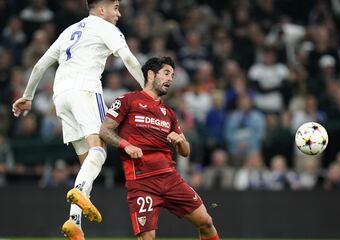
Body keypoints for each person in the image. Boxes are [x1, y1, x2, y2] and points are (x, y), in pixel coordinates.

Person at [12, 0, 144, 239]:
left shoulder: (69, 30)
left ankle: (75, 222)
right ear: (102, 9)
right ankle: (80, 191)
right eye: (115, 8)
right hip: (85, 90)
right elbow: (130, 60)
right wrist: (148, 93)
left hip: (61, 96)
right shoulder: (106, 27)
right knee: (100, 149)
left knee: (87, 163)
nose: (119, 13)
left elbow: (41, 64)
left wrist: (27, 96)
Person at [99, 57, 220, 240]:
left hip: (171, 179)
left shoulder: (169, 113)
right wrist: (127, 145)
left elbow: (185, 152)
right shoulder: (127, 100)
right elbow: (104, 130)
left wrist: (180, 141)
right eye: (166, 73)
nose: (170, 79)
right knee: (147, 238)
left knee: (206, 222)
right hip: (141, 182)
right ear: (150, 74)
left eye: (172, 75)